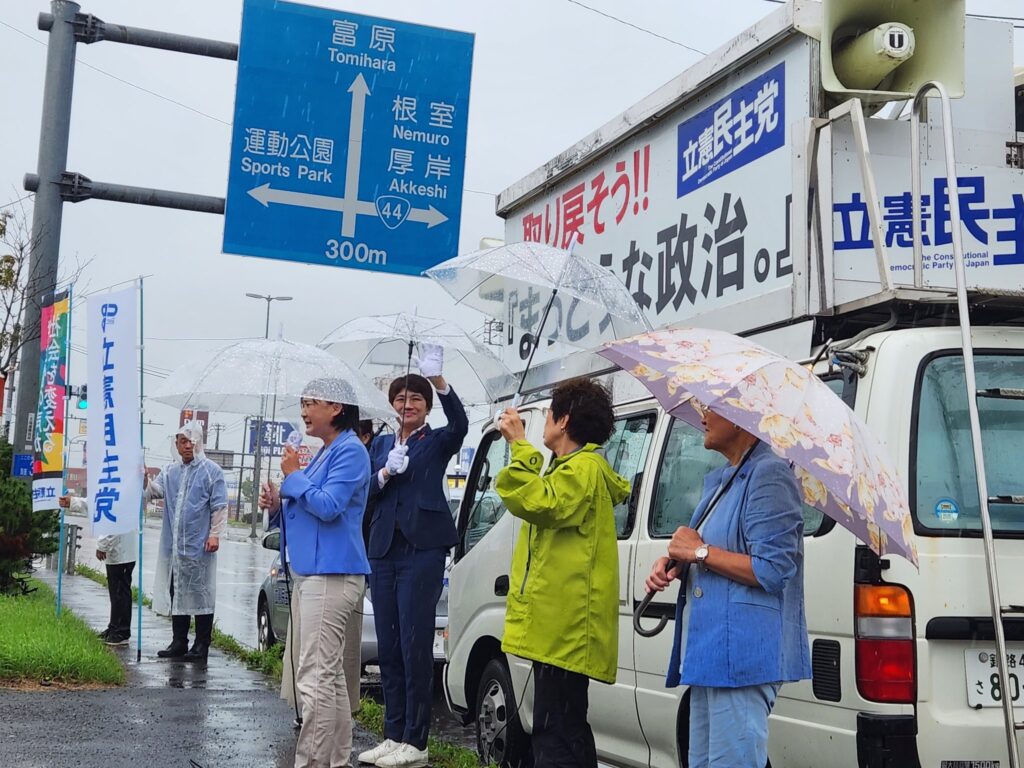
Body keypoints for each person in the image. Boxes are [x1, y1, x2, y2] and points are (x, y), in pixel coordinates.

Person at [645, 406, 811, 768]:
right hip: (712, 654)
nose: (702, 416)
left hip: (742, 657)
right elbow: (711, 549)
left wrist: (699, 551)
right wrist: (676, 561)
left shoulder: (769, 475)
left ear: (738, 416)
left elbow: (773, 568)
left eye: (711, 407)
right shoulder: (727, 477)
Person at [493, 378, 629, 768]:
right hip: (559, 629)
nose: (545, 423)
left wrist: (520, 446)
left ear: (564, 420)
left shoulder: (582, 469)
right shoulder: (573, 468)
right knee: (562, 731)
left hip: (564, 630)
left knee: (556, 737)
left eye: (550, 414)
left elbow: (537, 502)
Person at [358, 345, 468, 768]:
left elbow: (459, 423)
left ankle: (416, 740)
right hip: (383, 548)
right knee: (388, 644)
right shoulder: (383, 443)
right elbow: (363, 492)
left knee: (413, 643)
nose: (408, 405)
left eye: (416, 399)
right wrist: (385, 472)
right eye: (402, 399)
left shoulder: (436, 439)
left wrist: (439, 382)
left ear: (425, 407)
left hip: (422, 550)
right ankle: (393, 732)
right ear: (392, 404)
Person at [260, 378, 371, 768]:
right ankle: (336, 759)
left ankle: (311, 762)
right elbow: (306, 506)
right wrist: (278, 497)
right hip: (315, 571)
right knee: (330, 676)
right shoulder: (327, 451)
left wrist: (294, 475)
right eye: (303, 402)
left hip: (332, 574)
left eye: (313, 402)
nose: (305, 410)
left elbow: (328, 506)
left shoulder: (351, 451)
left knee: (314, 676)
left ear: (337, 408)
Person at [145, 421, 228, 663]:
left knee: (201, 593)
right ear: (177, 445)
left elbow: (220, 506)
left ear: (200, 443)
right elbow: (155, 491)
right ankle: (179, 640)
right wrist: (144, 479)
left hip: (199, 546)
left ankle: (202, 643)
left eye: (192, 441)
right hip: (175, 549)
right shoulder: (170, 471)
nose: (188, 445)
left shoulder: (212, 471)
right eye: (183, 441)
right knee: (177, 591)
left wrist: (214, 534)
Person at [59, 493, 137, 646]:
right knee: (115, 591)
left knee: (120, 591)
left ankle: (121, 632)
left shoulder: (123, 488)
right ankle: (114, 627)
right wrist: (73, 502)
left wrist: (102, 545)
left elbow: (116, 520)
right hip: (117, 550)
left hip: (122, 550)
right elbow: (98, 502)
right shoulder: (114, 484)